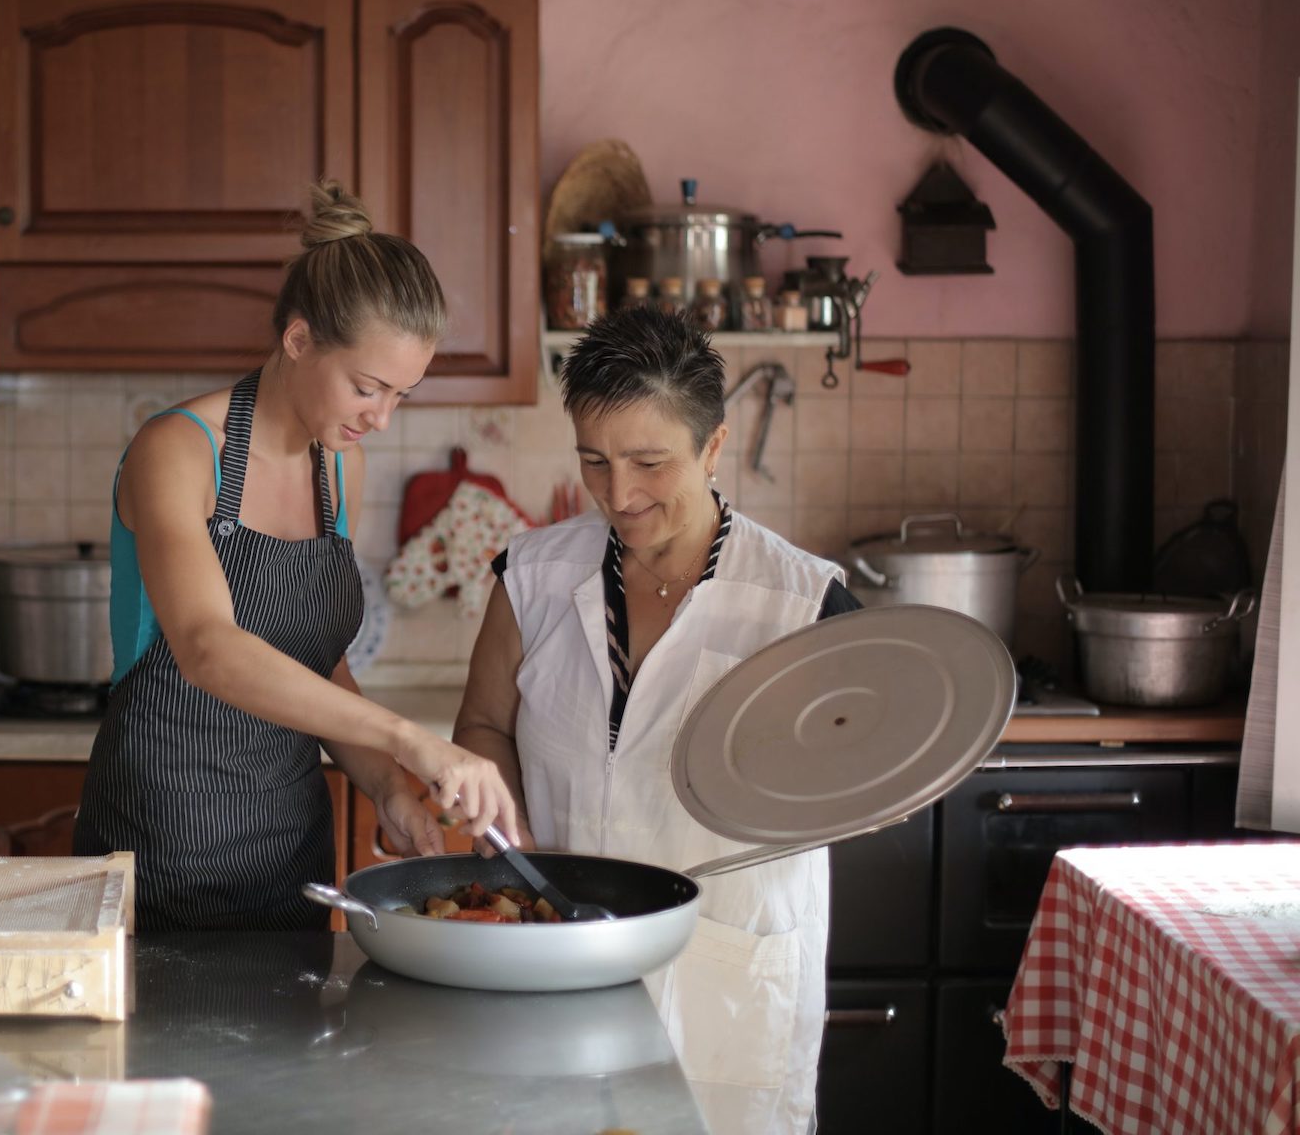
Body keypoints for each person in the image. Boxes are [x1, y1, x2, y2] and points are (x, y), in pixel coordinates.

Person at [452, 307, 860, 1135]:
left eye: (649, 462)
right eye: (594, 461)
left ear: (713, 449)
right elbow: (485, 727)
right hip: (561, 956)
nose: (619, 495)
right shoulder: (530, 576)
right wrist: (504, 830)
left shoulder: (803, 602)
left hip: (729, 973)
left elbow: (857, 780)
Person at [73, 179, 521, 932]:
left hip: (289, 856)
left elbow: (316, 662)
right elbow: (209, 649)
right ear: (299, 339)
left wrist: (388, 786)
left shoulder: (338, 466)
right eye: (367, 387)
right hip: (159, 849)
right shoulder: (178, 451)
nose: (380, 418)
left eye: (401, 396)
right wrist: (411, 740)